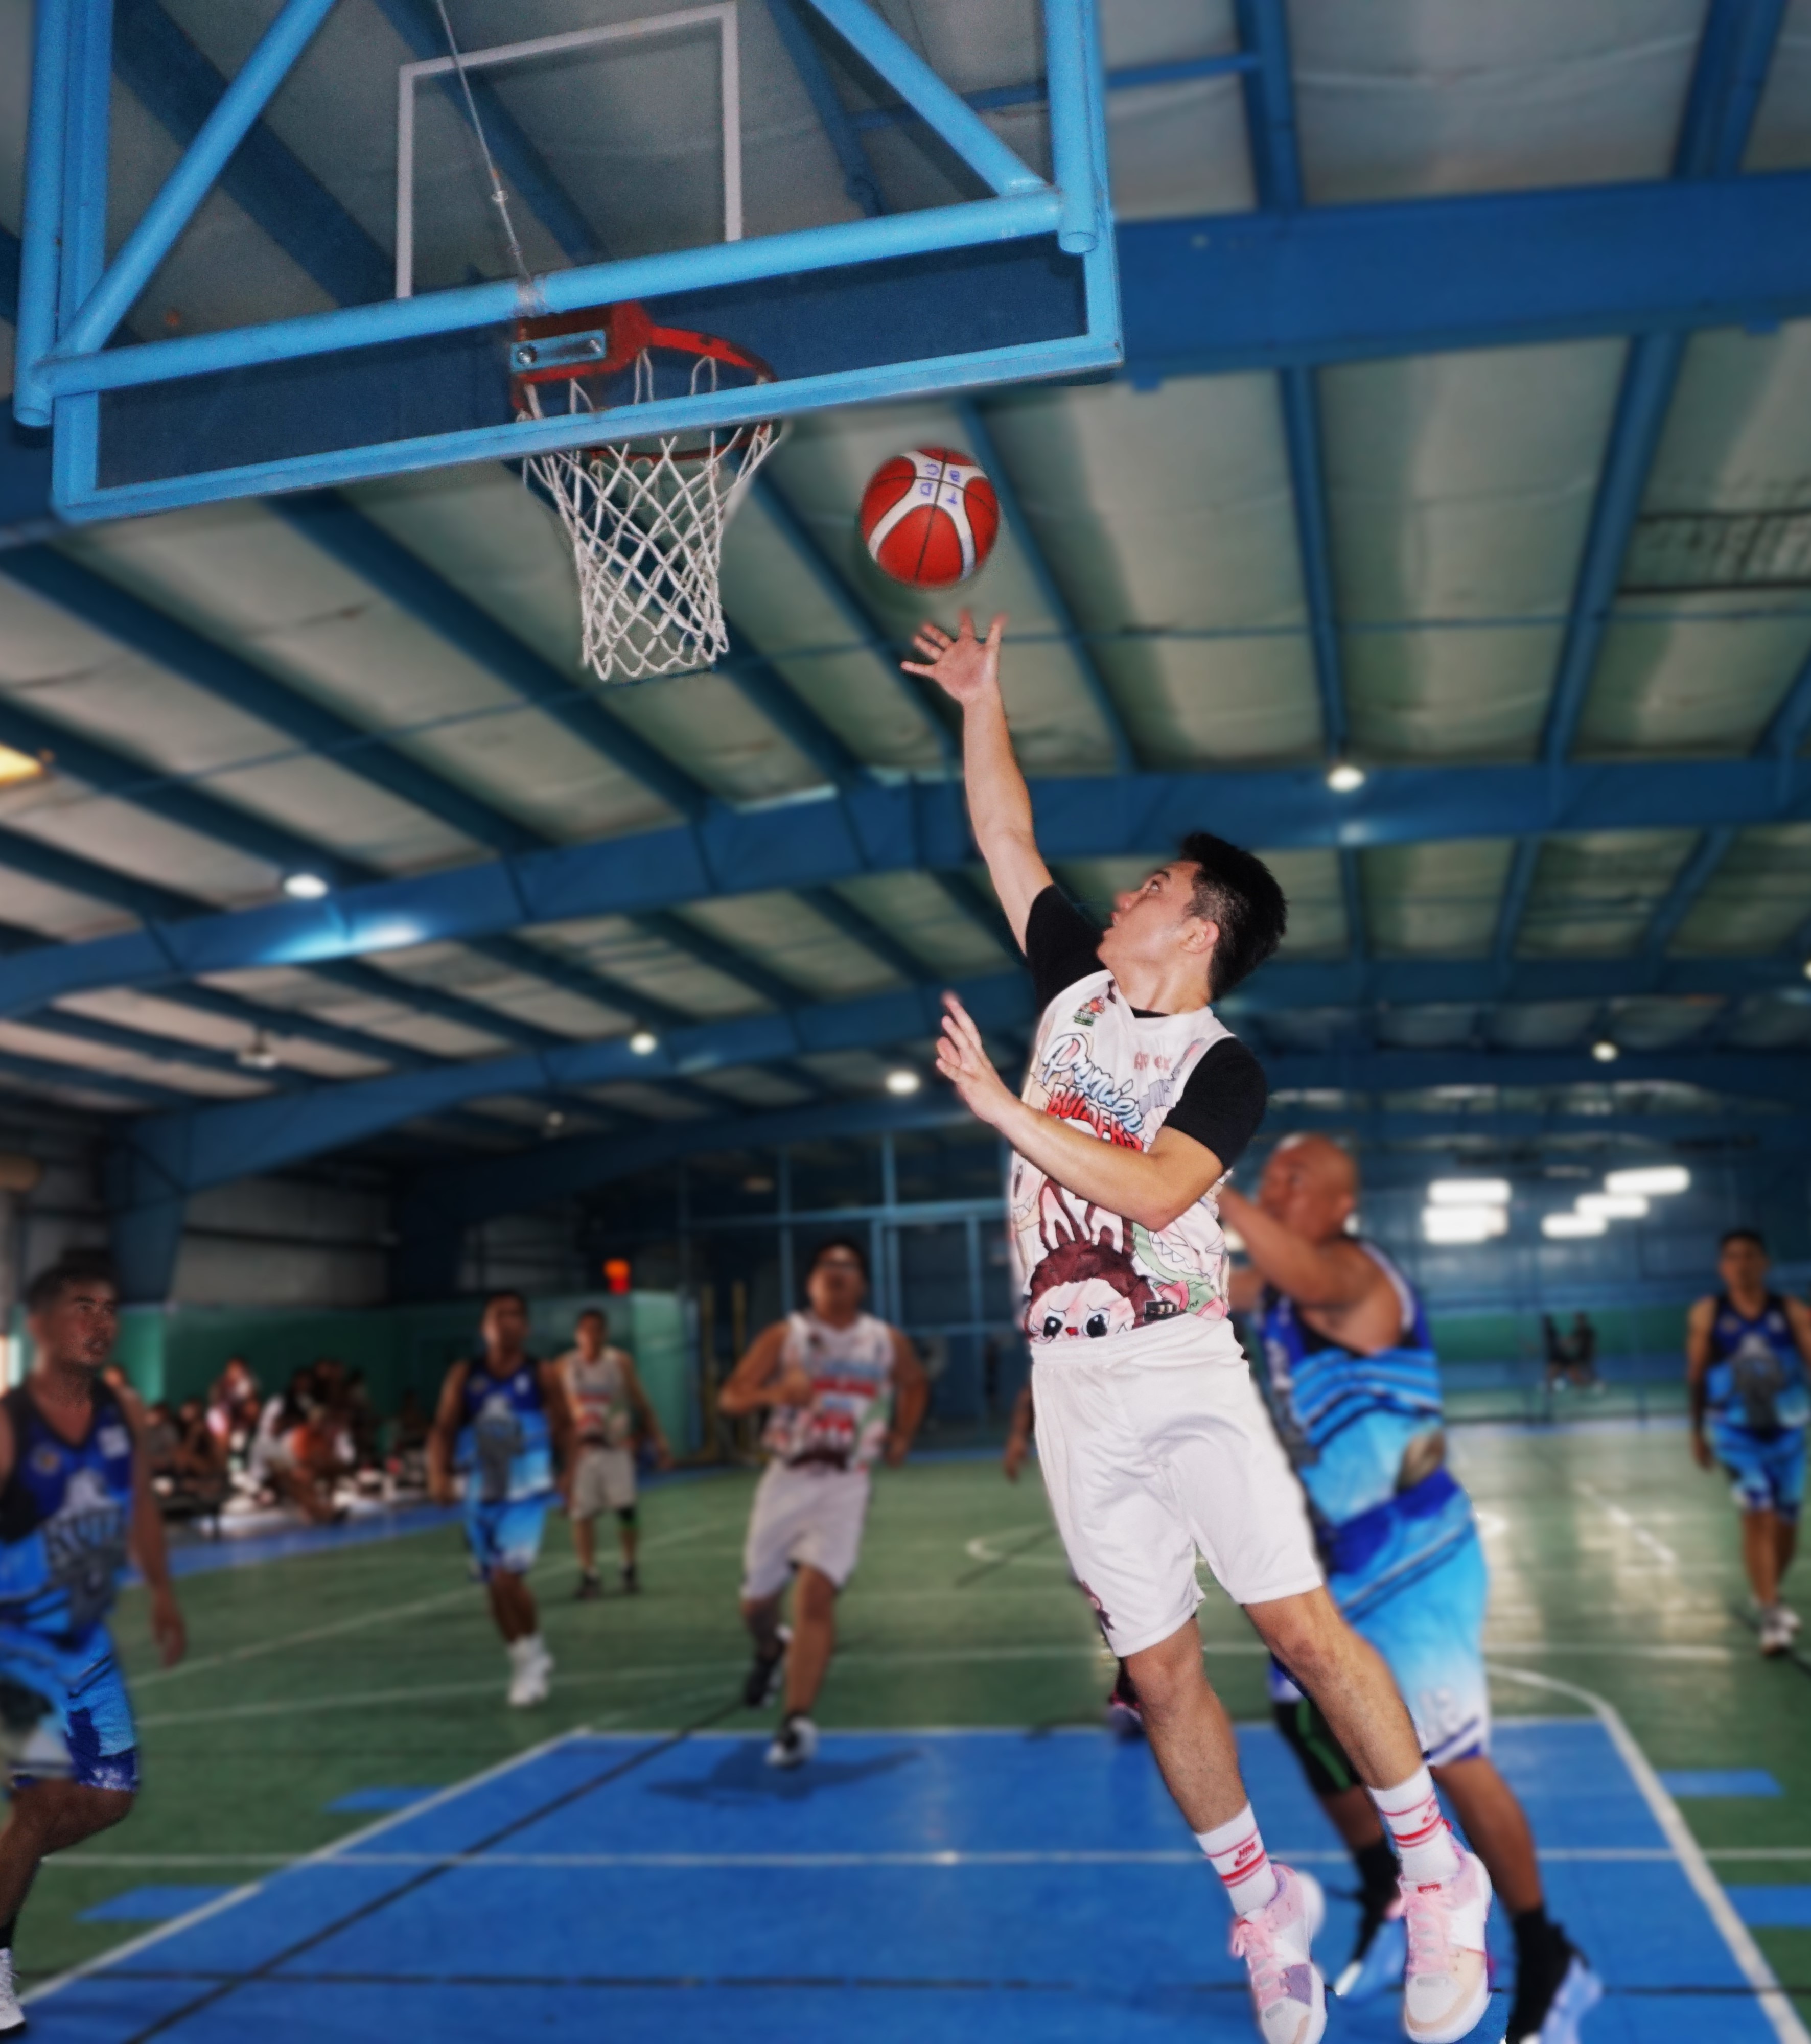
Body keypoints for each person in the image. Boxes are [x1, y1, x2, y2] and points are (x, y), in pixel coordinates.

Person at [908, 609, 1494, 2044]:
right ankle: (1261, 1906)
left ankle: (1434, 1870)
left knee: (1296, 1628)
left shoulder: (1223, 1070)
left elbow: (1165, 1185)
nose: (1120, 899)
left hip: (1180, 1364)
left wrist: (1000, 1112)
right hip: (1073, 1382)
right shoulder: (1072, 992)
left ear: (1200, 922)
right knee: (1158, 1671)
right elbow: (1005, 841)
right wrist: (982, 701)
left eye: (1153, 886)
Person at [1220, 1136, 1600, 2043]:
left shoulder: (1354, 1276)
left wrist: (1212, 1190)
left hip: (1417, 1560)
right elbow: (1205, 1288)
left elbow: (1304, 1278)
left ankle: (1546, 1952)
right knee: (1305, 1719)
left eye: (1292, 1179)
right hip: (1339, 1568)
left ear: (1340, 1202)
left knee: (1447, 1761)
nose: (1273, 1186)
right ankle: (1384, 1890)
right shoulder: (1275, 1291)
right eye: (1268, 1173)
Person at [0, 1254, 186, 2029]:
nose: (102, 1322)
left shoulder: (117, 1410)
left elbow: (138, 1496)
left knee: (110, 1799)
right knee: (41, 1806)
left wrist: (163, 1592)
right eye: (83, 1307)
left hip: (85, 1641)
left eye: (110, 1309)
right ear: (42, 1324)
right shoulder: (11, 1424)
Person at [718, 1239, 926, 1770]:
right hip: (786, 1479)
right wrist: (772, 1396)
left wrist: (901, 1434)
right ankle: (769, 1649)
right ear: (810, 1281)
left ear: (863, 1282)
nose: (836, 1274)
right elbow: (731, 1396)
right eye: (826, 1265)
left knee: (815, 1595)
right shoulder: (785, 1337)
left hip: (845, 1482)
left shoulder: (883, 1341)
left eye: (847, 1266)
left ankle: (796, 1721)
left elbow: (914, 1382)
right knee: (756, 1605)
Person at [428, 1290, 575, 1707]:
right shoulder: (465, 1375)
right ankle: (525, 1656)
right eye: (499, 1315)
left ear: (525, 1327)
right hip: (482, 1488)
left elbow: (566, 1427)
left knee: (509, 1579)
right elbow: (443, 1427)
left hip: (526, 1490)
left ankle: (533, 1656)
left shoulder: (541, 1373)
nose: (508, 1322)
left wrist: (570, 1475)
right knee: (492, 1586)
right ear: (485, 1327)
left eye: (515, 1315)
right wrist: (438, 1473)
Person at [1686, 1229, 1810, 1657]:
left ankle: (1767, 1592)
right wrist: (1695, 1431)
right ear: (1723, 1267)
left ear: (1765, 1263)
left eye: (1750, 1256)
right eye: (1733, 1257)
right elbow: (1697, 1374)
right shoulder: (1709, 1314)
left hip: (1789, 1431)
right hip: (1736, 1434)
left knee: (1787, 1523)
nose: (1742, 1264)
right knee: (1757, 1515)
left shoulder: (1791, 1312)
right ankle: (1772, 1613)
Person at [559, 1306, 672, 1598]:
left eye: (597, 1329)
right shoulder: (564, 1367)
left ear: (605, 1334)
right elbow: (555, 1413)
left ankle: (629, 1566)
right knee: (581, 1514)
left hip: (616, 1449)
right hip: (583, 1451)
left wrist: (658, 1439)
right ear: (577, 1335)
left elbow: (641, 1403)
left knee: (626, 1510)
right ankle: (589, 1574)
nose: (591, 1335)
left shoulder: (619, 1363)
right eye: (585, 1330)